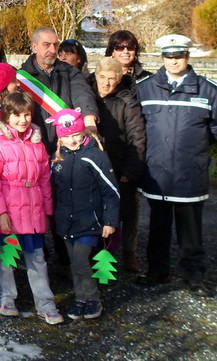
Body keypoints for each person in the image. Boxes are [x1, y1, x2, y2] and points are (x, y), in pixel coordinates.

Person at [136, 34, 217, 297]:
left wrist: (192, 151)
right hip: (158, 173)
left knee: (191, 231)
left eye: (179, 56)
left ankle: (195, 277)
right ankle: (157, 272)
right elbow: (138, 126)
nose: (174, 61)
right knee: (158, 227)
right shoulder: (146, 87)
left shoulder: (209, 90)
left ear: (187, 56)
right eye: (169, 56)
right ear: (162, 57)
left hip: (190, 173)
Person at [0, 92, 63, 325]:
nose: (22, 120)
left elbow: (45, 180)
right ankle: (5, 298)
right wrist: (1, 212)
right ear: (7, 116)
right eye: (16, 115)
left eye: (26, 114)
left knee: (37, 258)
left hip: (34, 209)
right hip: (9, 209)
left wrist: (47, 212)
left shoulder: (38, 145)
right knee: (7, 258)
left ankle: (45, 303)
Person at [47, 108, 120, 321]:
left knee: (81, 260)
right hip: (66, 222)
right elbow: (51, 188)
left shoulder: (95, 156)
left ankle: (93, 299)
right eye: (67, 136)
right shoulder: (57, 158)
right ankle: (80, 300)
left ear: (84, 132)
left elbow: (111, 190)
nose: (72, 140)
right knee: (73, 262)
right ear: (60, 137)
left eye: (76, 134)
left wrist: (110, 220)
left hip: (89, 220)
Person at [87, 57, 146, 272]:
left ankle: (105, 269)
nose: (106, 83)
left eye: (112, 79)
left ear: (119, 79)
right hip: (90, 172)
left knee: (114, 222)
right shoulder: (86, 96)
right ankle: (87, 264)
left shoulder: (127, 102)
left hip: (118, 171)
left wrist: (129, 172)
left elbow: (137, 139)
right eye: (102, 77)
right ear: (96, 75)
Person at [20, 27, 99, 155]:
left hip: (67, 146)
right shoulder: (22, 78)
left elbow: (82, 94)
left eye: (55, 45)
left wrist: (89, 118)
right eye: (46, 45)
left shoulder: (70, 72)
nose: (52, 50)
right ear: (34, 47)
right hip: (35, 149)